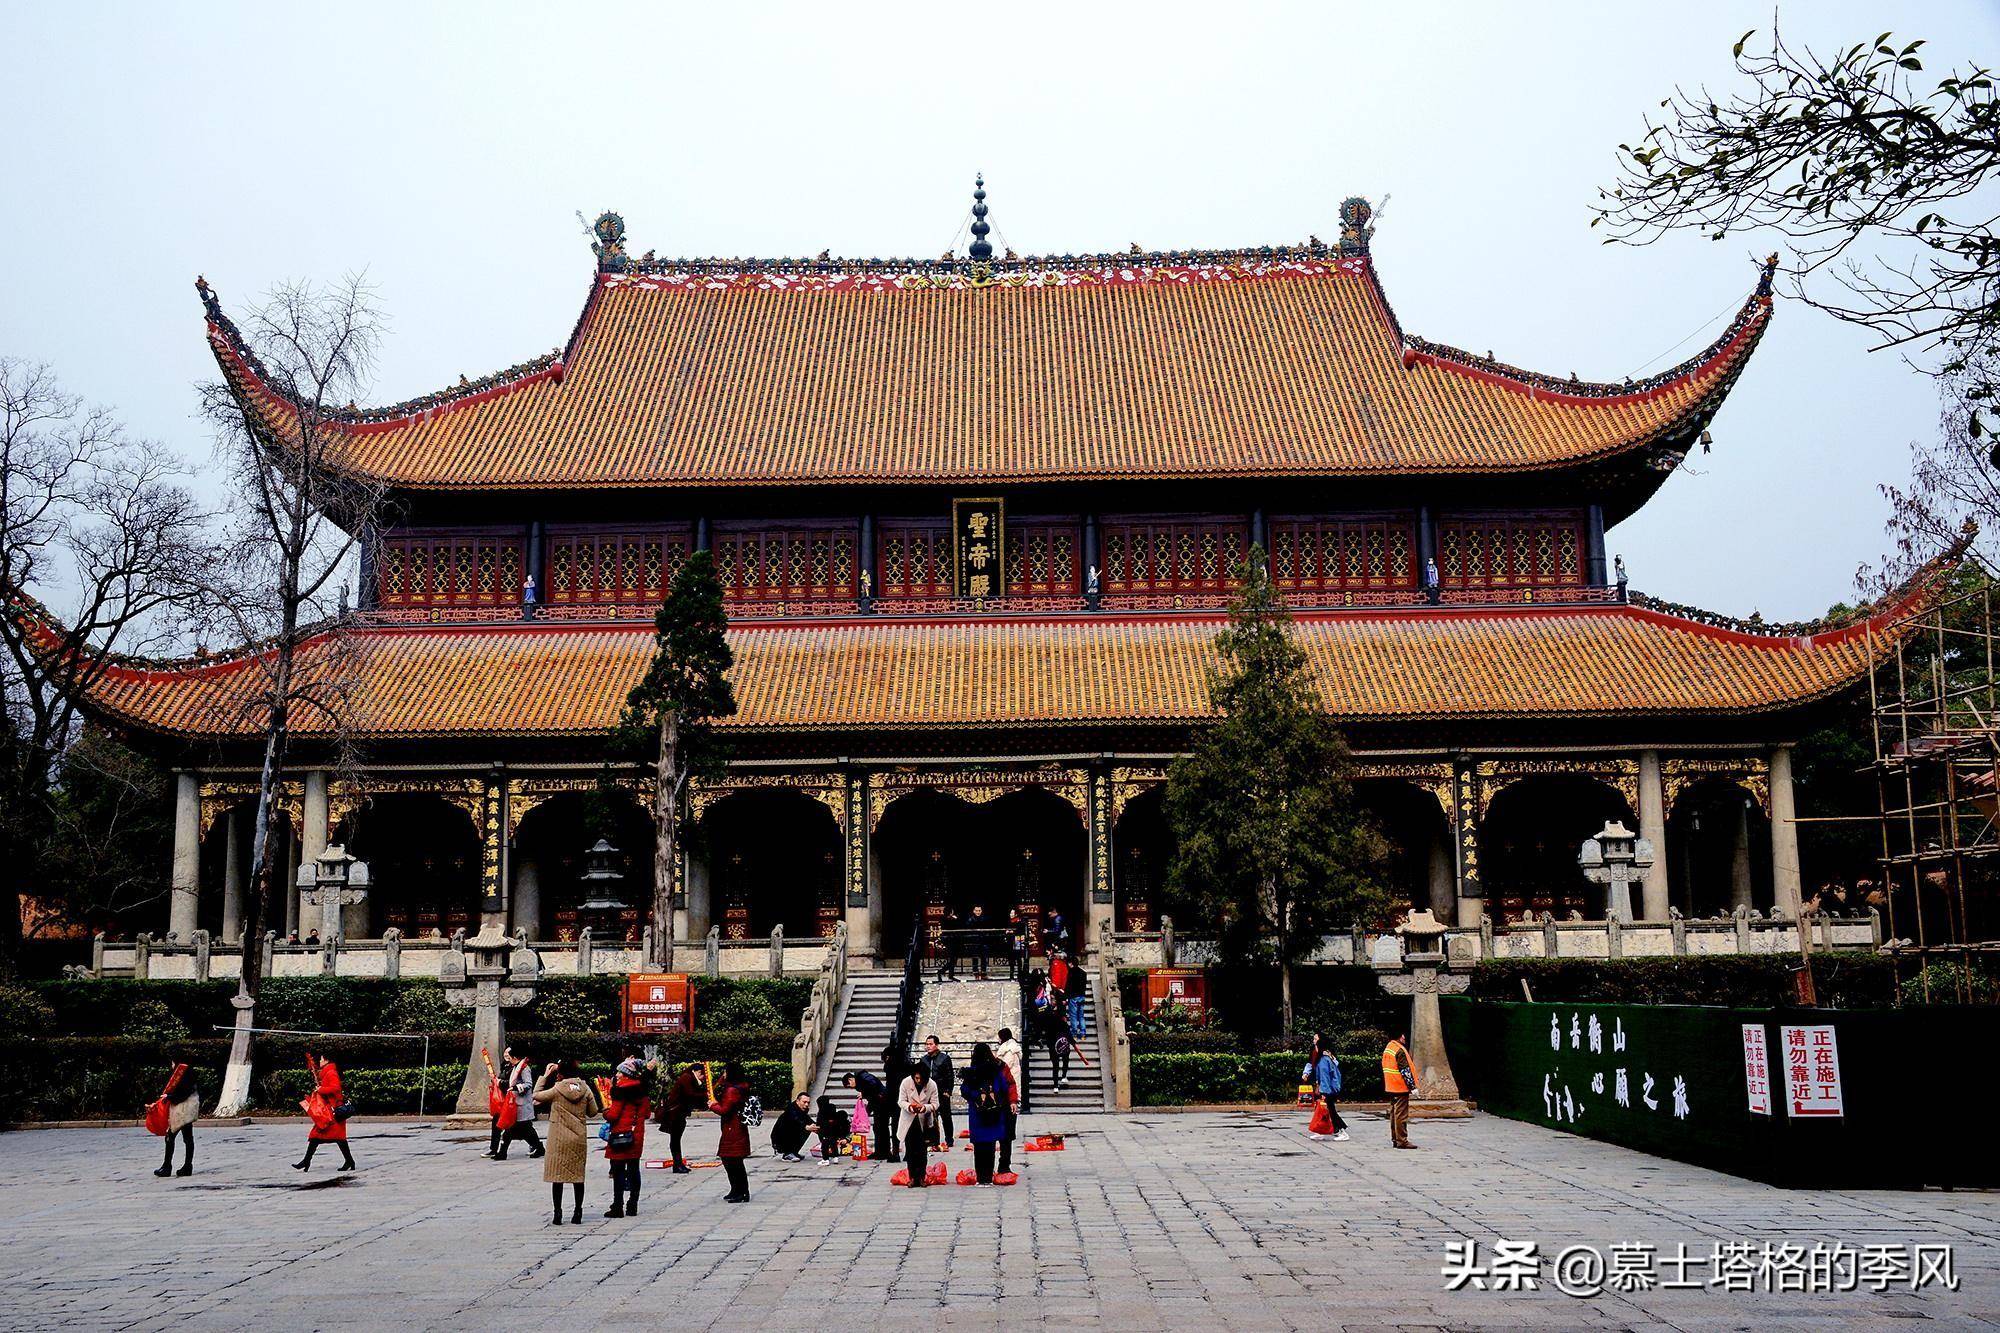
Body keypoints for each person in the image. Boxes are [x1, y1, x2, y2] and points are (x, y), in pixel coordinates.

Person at [535, 1058, 602, 1224]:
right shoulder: (585, 1088)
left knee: (557, 1177)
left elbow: (536, 1095)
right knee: (578, 1177)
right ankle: (578, 1212)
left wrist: (545, 1075)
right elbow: (593, 1112)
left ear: (560, 1073)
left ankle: (558, 1214)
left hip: (558, 1138)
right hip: (578, 1137)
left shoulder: (557, 1089)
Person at [294, 1053, 354, 1172]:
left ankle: (307, 1161)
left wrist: (320, 1089)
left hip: (333, 1111)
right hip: (330, 1110)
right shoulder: (328, 1072)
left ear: (327, 1060)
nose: (319, 1061)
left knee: (329, 1136)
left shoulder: (331, 1073)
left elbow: (336, 1088)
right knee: (328, 1136)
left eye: (321, 1059)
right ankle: (307, 1161)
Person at [959, 1042, 1009, 1184]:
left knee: (979, 1148)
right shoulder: (995, 1070)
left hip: (977, 1113)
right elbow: (1004, 1087)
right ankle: (988, 1176)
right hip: (994, 1112)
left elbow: (964, 1091)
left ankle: (981, 1178)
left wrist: (976, 1097)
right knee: (990, 1146)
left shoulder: (971, 1072)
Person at [602, 1071, 649, 1218]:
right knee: (634, 1170)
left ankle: (618, 1206)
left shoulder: (620, 1092)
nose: (616, 1075)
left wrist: (605, 1111)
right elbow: (647, 1114)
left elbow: (613, 1115)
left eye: (620, 1073)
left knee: (618, 1172)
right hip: (636, 1135)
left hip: (620, 1136)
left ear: (627, 1075)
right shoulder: (643, 1092)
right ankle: (633, 1205)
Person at [710, 1061, 754, 1203]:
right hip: (736, 1126)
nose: (724, 1074)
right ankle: (737, 1190)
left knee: (732, 1160)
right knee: (733, 1161)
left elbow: (724, 1110)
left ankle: (741, 1191)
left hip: (732, 1128)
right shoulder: (741, 1086)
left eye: (725, 1071)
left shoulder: (732, 1090)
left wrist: (713, 1106)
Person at [494, 1046, 544, 1160]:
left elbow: (528, 1084)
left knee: (522, 1129)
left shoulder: (524, 1068)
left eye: (510, 1057)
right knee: (518, 1129)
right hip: (516, 1104)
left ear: (515, 1057)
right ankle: (538, 1148)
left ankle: (503, 1152)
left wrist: (516, 1087)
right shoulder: (517, 1067)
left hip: (522, 1104)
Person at [152, 1062, 200, 1177]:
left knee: (170, 1136)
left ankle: (167, 1167)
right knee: (188, 1138)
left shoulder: (182, 1072)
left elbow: (183, 1091)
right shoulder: (189, 1070)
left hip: (182, 1109)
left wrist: (170, 1097)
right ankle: (187, 1166)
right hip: (187, 1109)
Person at [896, 1065, 939, 1186]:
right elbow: (901, 1101)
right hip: (909, 1119)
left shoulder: (932, 1085)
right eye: (916, 1078)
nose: (918, 1081)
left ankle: (921, 1177)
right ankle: (912, 1177)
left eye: (921, 1079)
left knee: (922, 1151)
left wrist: (925, 1107)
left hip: (924, 1120)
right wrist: (910, 1106)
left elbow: (935, 1104)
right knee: (910, 1151)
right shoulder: (906, 1082)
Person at [658, 1063, 705, 1173]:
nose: (701, 1077)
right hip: (675, 1114)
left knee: (676, 1139)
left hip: (679, 1113)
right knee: (675, 1139)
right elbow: (690, 1094)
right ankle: (677, 1164)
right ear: (695, 1071)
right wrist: (704, 1094)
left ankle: (678, 1163)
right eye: (700, 1074)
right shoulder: (687, 1078)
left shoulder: (688, 1077)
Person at [844, 1070, 894, 1161]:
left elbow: (873, 1085)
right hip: (878, 1105)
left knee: (882, 1128)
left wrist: (864, 1093)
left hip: (883, 1103)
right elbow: (872, 1099)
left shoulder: (863, 1077)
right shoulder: (861, 1081)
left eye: (849, 1085)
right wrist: (866, 1113)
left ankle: (885, 1152)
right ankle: (879, 1152)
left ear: (850, 1080)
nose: (851, 1088)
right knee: (877, 1128)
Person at [918, 1036, 955, 1149]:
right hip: (928, 1092)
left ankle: (949, 1138)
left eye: (930, 1044)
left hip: (941, 1091)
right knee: (930, 1117)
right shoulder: (924, 1060)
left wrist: (948, 1091)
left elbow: (949, 1076)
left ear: (936, 1045)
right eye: (927, 1044)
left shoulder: (944, 1058)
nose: (928, 1046)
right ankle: (933, 1139)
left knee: (946, 1116)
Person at [1382, 1031, 1418, 1150]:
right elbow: (1405, 1071)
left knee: (1394, 1114)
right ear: (1401, 1036)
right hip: (1400, 1087)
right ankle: (1402, 1140)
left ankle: (1395, 1139)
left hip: (1391, 1086)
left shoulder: (1389, 1048)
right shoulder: (1399, 1050)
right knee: (1401, 1115)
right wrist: (1412, 1087)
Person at [995, 1026, 1025, 1152]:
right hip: (1014, 1078)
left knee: (1011, 1105)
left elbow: (1005, 1065)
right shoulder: (1013, 1048)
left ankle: (1009, 1132)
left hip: (1009, 1080)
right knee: (1013, 1105)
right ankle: (1010, 1130)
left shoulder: (1008, 1050)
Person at [1312, 1040, 1349, 1141]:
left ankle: (1342, 1130)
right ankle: (1324, 1130)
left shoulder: (1323, 1060)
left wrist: (1324, 1092)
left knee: (1331, 1111)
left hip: (1329, 1090)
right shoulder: (1327, 1058)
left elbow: (1325, 1078)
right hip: (1332, 1088)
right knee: (1327, 1111)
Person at [770, 1092, 816, 1162]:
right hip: (780, 1139)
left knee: (808, 1128)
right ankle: (787, 1153)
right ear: (797, 1101)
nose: (806, 1104)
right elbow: (796, 1121)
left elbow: (809, 1121)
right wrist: (805, 1127)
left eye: (808, 1102)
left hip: (789, 1134)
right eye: (804, 1102)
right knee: (800, 1128)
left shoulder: (802, 1110)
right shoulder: (791, 1110)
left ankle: (794, 1152)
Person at [813, 1094, 850, 1164]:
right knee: (833, 1144)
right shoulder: (832, 1108)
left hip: (825, 1132)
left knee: (824, 1146)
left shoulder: (821, 1112)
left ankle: (825, 1159)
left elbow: (819, 1123)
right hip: (834, 1131)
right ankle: (835, 1157)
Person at [966, 903, 992, 978]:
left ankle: (983, 971)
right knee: (975, 957)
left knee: (984, 957)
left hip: (983, 940)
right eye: (976, 910)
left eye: (979, 910)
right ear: (973, 911)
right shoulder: (970, 920)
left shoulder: (985, 919)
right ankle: (975, 971)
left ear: (981, 911)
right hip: (974, 941)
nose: (978, 912)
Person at [1007, 909, 1029, 980]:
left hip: (1017, 942)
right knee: (1011, 960)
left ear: (1016, 914)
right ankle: (1011, 975)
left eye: (1012, 913)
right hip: (1010, 943)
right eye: (1010, 913)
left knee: (1019, 959)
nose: (1011, 914)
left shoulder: (1020, 922)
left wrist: (1012, 932)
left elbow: (1021, 932)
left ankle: (1020, 975)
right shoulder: (1009, 922)